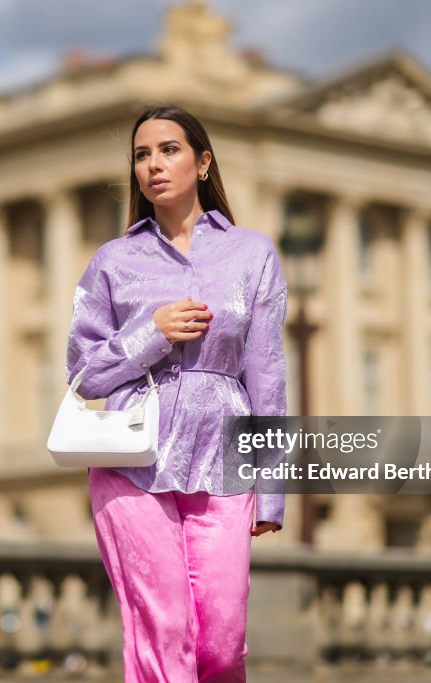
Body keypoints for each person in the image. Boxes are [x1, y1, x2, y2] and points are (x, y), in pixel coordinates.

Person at [65, 103, 287, 682]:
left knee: (221, 641)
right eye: (142, 155)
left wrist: (273, 487)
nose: (153, 165)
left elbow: (265, 373)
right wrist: (149, 334)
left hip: (224, 457)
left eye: (169, 150)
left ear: (203, 162)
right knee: (160, 634)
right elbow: (85, 373)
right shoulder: (113, 262)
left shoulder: (252, 253)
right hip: (131, 462)